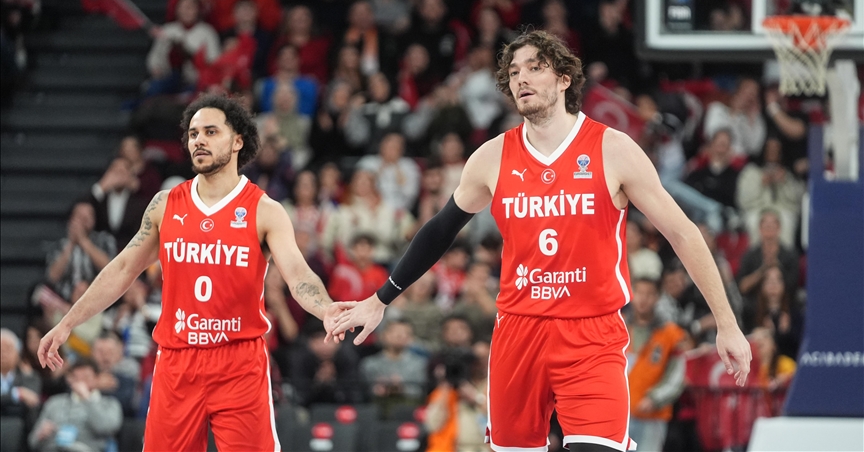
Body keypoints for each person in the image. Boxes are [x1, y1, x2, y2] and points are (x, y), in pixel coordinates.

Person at [332, 30, 751, 452]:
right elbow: (441, 229)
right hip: (518, 332)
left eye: (535, 68)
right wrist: (380, 299)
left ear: (565, 79)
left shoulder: (613, 149)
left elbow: (683, 233)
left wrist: (727, 323)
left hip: (592, 333)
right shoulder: (492, 157)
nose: (522, 78)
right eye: (514, 72)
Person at [37, 94, 352, 451]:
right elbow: (122, 268)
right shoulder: (164, 204)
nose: (198, 140)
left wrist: (326, 308)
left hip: (238, 360)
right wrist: (67, 323)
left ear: (237, 141)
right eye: (193, 133)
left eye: (211, 132)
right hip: (177, 360)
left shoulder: (264, 210)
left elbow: (298, 274)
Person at [625, 279, 687, 452]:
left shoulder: (670, 334)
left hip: (652, 416)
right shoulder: (618, 326)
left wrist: (655, 398)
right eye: (639, 292)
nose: (643, 299)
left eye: (649, 294)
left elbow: (678, 375)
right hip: (619, 414)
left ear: (657, 297)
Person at [28, 358, 122, 452]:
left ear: (96, 379)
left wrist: (87, 398)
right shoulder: (55, 402)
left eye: (86, 377)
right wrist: (40, 435)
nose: (81, 382)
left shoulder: (109, 404)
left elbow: (105, 428)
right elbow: (32, 442)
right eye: (76, 378)